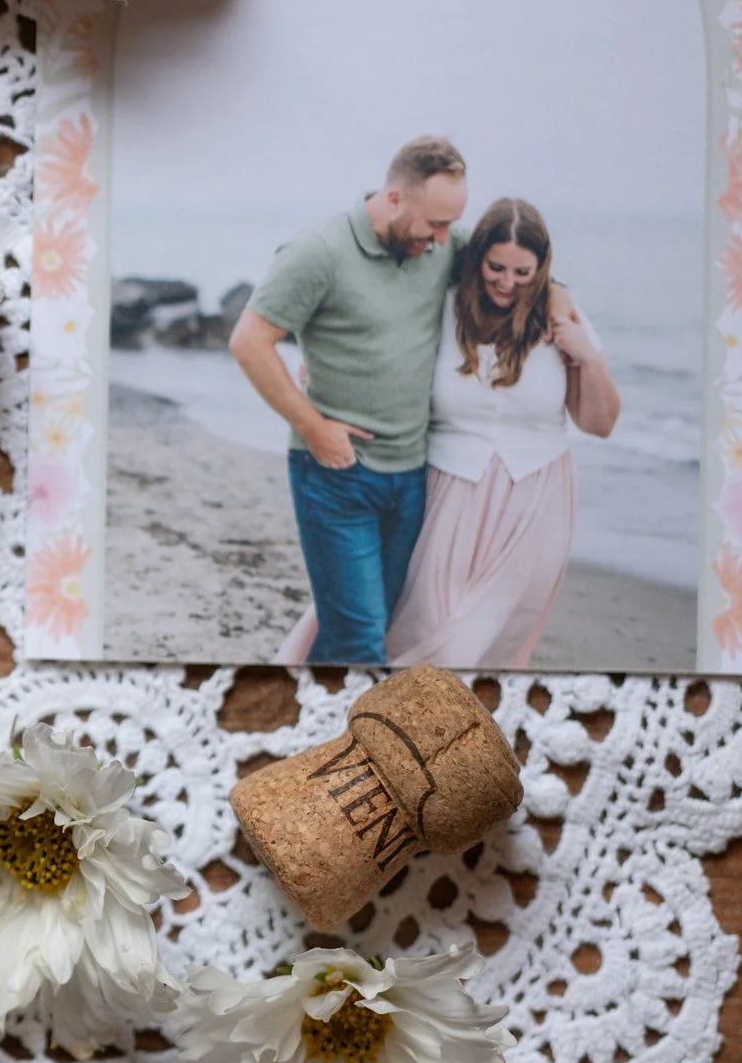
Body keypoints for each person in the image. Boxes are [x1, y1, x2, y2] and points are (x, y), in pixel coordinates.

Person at [275, 197, 623, 668]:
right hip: (443, 494)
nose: (507, 283)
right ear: (476, 257)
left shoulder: (561, 318)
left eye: (524, 274)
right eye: (496, 268)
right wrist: (324, 379)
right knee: (425, 631)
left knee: (491, 644)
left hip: (535, 502)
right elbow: (373, 345)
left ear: (542, 270)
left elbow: (599, 423)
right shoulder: (442, 306)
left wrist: (587, 355)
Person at [230, 136, 470, 664]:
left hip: (411, 479)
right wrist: (314, 427)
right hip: (335, 476)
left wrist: (560, 297)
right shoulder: (318, 251)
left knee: (374, 632)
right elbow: (249, 342)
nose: (445, 239)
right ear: (393, 199)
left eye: (451, 224)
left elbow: (509, 266)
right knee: (359, 642)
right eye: (434, 224)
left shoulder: (439, 243)